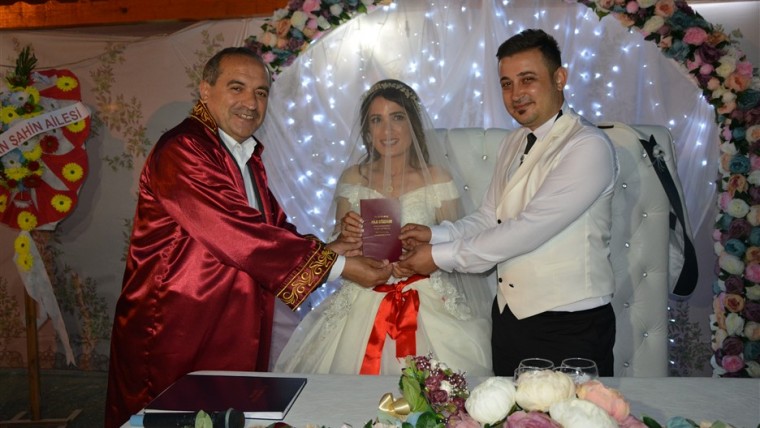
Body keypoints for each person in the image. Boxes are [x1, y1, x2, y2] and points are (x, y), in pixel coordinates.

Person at [104, 47, 392, 428]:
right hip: (176, 323)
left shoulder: (243, 154)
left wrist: (330, 248)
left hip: (230, 318)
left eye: (260, 93)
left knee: (227, 413)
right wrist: (340, 266)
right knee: (174, 416)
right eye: (236, 88)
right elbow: (239, 233)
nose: (251, 103)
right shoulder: (184, 149)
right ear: (205, 90)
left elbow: (271, 226)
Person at [398, 29, 619, 377]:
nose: (516, 94)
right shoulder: (514, 141)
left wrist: (438, 257)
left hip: (570, 323)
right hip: (509, 318)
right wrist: (434, 234)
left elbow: (527, 230)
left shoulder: (587, 146)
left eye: (527, 79)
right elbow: (491, 217)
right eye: (506, 84)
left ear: (559, 78)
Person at [274, 79, 493, 376]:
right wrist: (346, 233)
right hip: (362, 293)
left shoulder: (437, 178)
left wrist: (425, 250)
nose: (387, 130)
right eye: (377, 120)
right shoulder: (353, 177)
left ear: (413, 125)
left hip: (424, 295)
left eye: (397, 118)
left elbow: (456, 243)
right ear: (367, 129)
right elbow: (337, 244)